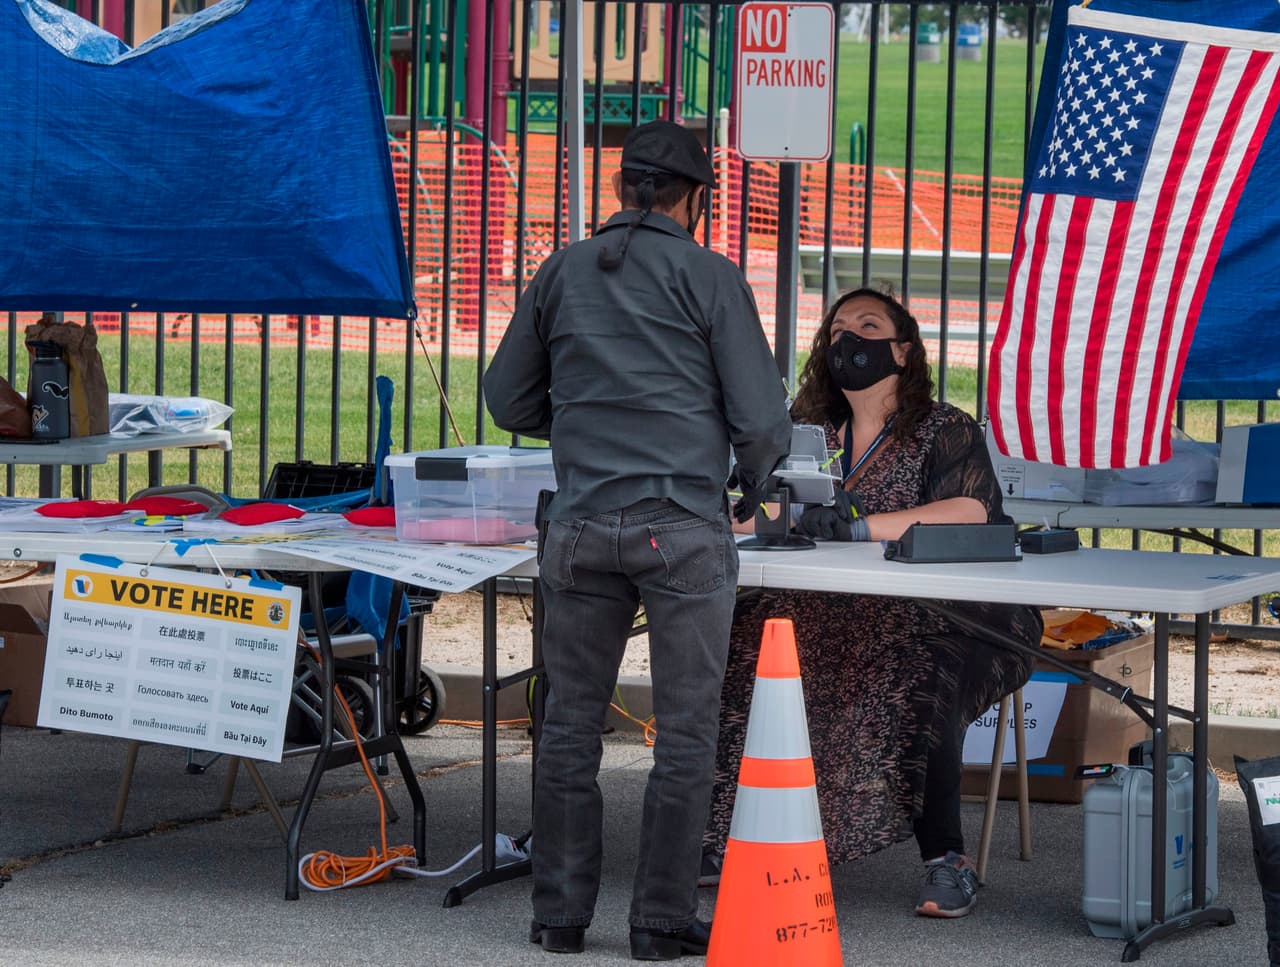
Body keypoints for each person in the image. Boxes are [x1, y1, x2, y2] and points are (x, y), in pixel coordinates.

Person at [484, 119, 792, 960]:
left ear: (623, 187)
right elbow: (763, 420)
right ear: (694, 197)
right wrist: (751, 481)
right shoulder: (709, 275)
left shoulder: (562, 270)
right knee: (687, 731)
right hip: (680, 529)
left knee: (569, 725)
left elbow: (507, 401)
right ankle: (658, 921)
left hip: (579, 528)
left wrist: (583, 425)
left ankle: (559, 916)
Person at [701, 285, 1043, 919]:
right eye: (835, 333)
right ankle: (727, 838)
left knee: (917, 675)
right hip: (829, 608)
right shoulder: (805, 435)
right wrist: (765, 515)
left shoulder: (943, 427)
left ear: (903, 350)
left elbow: (968, 511)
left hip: (951, 613)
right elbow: (753, 512)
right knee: (737, 653)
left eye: (866, 326)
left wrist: (860, 523)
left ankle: (948, 860)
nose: (847, 341)